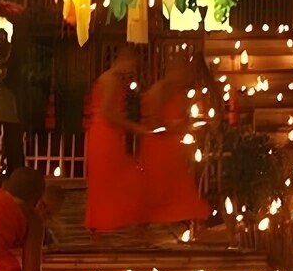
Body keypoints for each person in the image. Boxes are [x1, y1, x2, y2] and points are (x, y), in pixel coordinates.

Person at [84, 47, 149, 238]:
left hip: (102, 132)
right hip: (106, 132)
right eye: (132, 66)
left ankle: (104, 222)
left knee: (107, 177)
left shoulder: (107, 78)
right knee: (122, 175)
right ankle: (114, 220)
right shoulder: (112, 80)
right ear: (123, 61)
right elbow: (107, 112)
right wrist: (133, 126)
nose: (132, 71)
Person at [140, 57, 211, 226]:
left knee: (175, 189)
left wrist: (188, 124)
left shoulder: (178, 91)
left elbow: (182, 116)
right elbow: (154, 122)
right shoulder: (161, 90)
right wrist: (175, 126)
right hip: (158, 145)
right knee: (158, 190)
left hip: (171, 145)